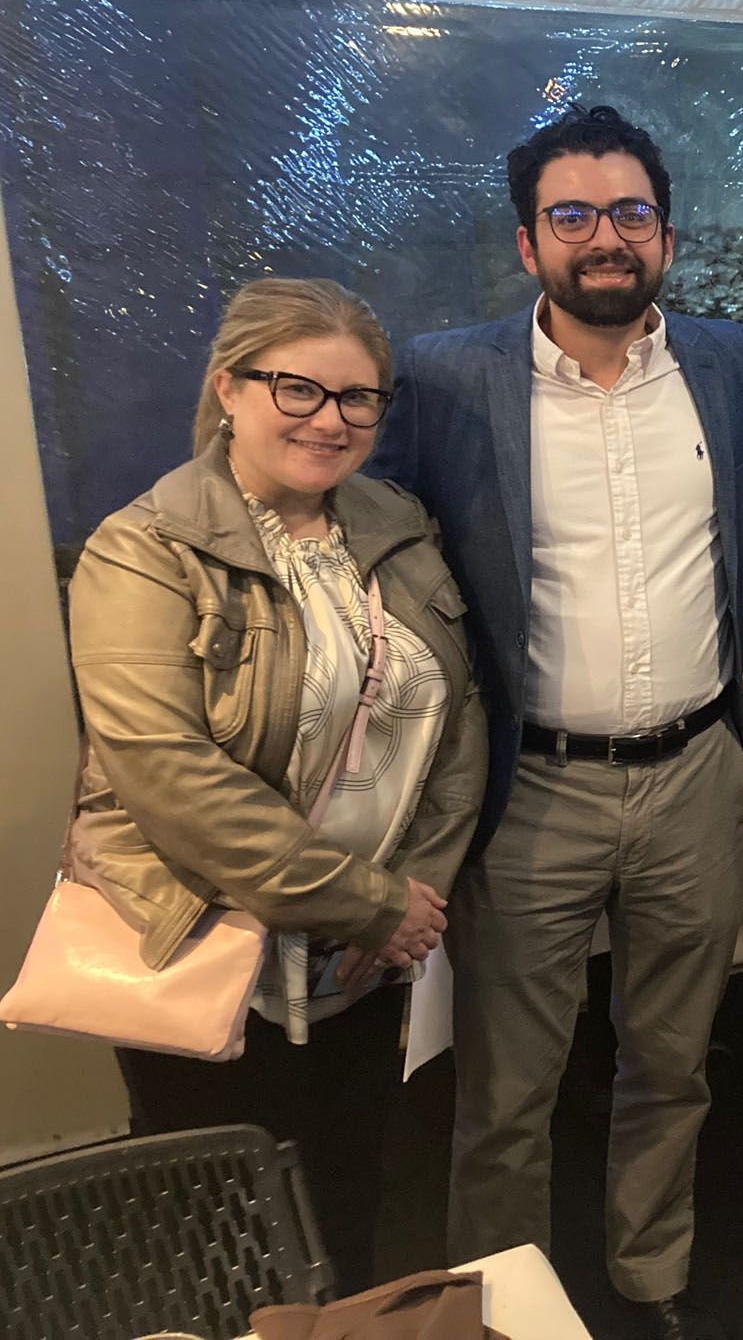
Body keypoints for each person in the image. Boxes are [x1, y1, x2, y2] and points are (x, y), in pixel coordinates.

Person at [368, 104, 743, 1340]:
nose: (607, 237)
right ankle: (503, 1311)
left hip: (697, 772)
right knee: (507, 1090)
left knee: (671, 1063)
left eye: (631, 212)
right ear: (527, 240)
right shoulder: (443, 376)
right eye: (575, 215)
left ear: (666, 232)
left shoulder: (723, 359)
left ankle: (649, 1283)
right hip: (531, 788)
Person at [67, 277, 486, 1294]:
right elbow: (172, 782)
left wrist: (406, 909)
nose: (329, 420)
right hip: (209, 947)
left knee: (347, 1194)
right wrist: (371, 901)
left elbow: (459, 721)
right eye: (296, 390)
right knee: (225, 1228)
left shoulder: (394, 524)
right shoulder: (145, 551)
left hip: (359, 958)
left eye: (357, 398)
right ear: (230, 388)